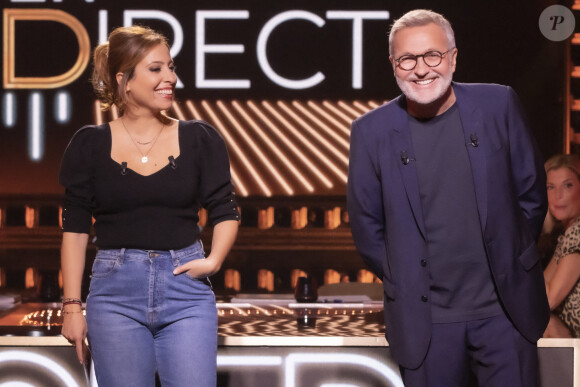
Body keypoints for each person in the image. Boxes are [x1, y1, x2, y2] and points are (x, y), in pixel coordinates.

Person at [347, 9, 549, 387]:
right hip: (427, 326)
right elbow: (366, 226)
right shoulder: (370, 131)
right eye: (407, 59)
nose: (421, 69)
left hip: (505, 316)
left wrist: (512, 255)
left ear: (453, 57)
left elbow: (532, 195)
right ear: (394, 65)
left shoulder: (498, 105)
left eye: (432, 55)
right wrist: (403, 276)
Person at [59, 25, 239, 387]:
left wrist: (214, 261)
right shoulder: (89, 144)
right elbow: (75, 230)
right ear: (124, 80)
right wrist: (72, 306)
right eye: (156, 69)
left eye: (170, 67)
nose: (170, 77)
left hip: (185, 289)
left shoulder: (200, 138)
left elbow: (225, 209)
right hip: (114, 293)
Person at [543, 154, 580, 338]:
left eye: (568, 185)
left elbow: (547, 300)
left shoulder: (578, 232)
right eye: (550, 187)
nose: (558, 195)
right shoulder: (566, 235)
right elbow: (538, 291)